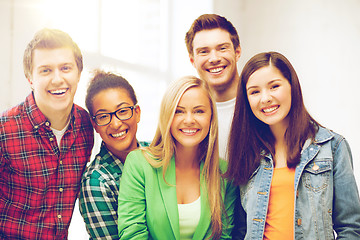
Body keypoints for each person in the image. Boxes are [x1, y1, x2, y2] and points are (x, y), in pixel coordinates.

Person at [225, 51, 360, 239]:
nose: (265, 98)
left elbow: (351, 228)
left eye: (274, 86)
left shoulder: (332, 147)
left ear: (292, 87)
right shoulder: (246, 151)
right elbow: (239, 231)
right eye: (255, 91)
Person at [0, 28, 94, 239]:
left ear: (79, 73)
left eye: (65, 68)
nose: (58, 79)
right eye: (45, 70)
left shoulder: (85, 125)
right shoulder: (4, 130)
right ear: (30, 78)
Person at [117, 76, 238, 239]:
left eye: (199, 111)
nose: (189, 120)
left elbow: (224, 236)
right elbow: (132, 234)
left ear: (211, 117)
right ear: (167, 116)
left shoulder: (224, 173)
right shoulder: (139, 164)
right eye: (178, 111)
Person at [79, 70, 149, 239]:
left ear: (137, 112)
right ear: (95, 125)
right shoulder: (96, 181)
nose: (116, 123)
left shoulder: (158, 153)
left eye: (123, 111)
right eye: (103, 116)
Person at [185, 13, 241, 159]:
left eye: (222, 48)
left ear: (237, 52)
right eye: (204, 52)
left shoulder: (262, 104)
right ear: (193, 60)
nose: (214, 58)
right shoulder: (185, 115)